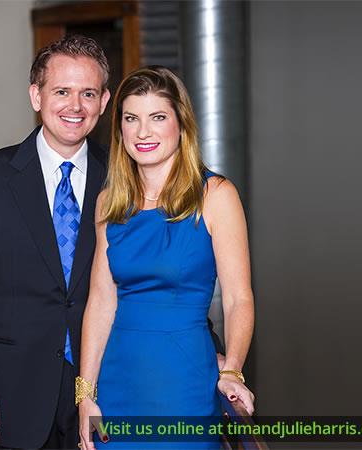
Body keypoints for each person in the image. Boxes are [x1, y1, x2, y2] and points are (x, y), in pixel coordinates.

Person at [0, 36, 226, 449]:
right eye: (62, 91)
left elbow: (169, 267)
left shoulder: (126, 177)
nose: (75, 106)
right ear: (36, 96)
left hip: (111, 383)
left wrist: (210, 349)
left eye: (88, 93)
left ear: (105, 101)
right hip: (15, 390)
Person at [77, 66, 255, 450]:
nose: (143, 132)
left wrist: (233, 371)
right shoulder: (109, 203)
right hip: (117, 382)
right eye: (131, 119)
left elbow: (238, 298)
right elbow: (101, 301)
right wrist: (85, 394)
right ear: (120, 128)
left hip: (184, 381)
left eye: (157, 117)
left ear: (181, 124)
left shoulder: (216, 196)